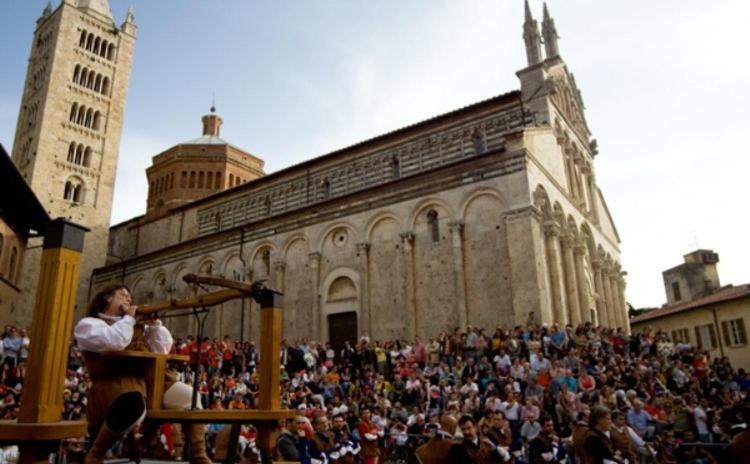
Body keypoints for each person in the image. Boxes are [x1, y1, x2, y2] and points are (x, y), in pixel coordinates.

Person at [73, 285, 212, 464]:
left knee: (190, 397)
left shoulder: (135, 325)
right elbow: (115, 341)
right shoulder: (89, 324)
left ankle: (198, 455)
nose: (128, 300)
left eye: (130, 297)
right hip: (116, 381)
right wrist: (130, 318)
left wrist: (154, 325)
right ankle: (96, 455)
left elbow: (162, 350)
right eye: (122, 295)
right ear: (107, 299)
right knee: (133, 402)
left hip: (150, 381)